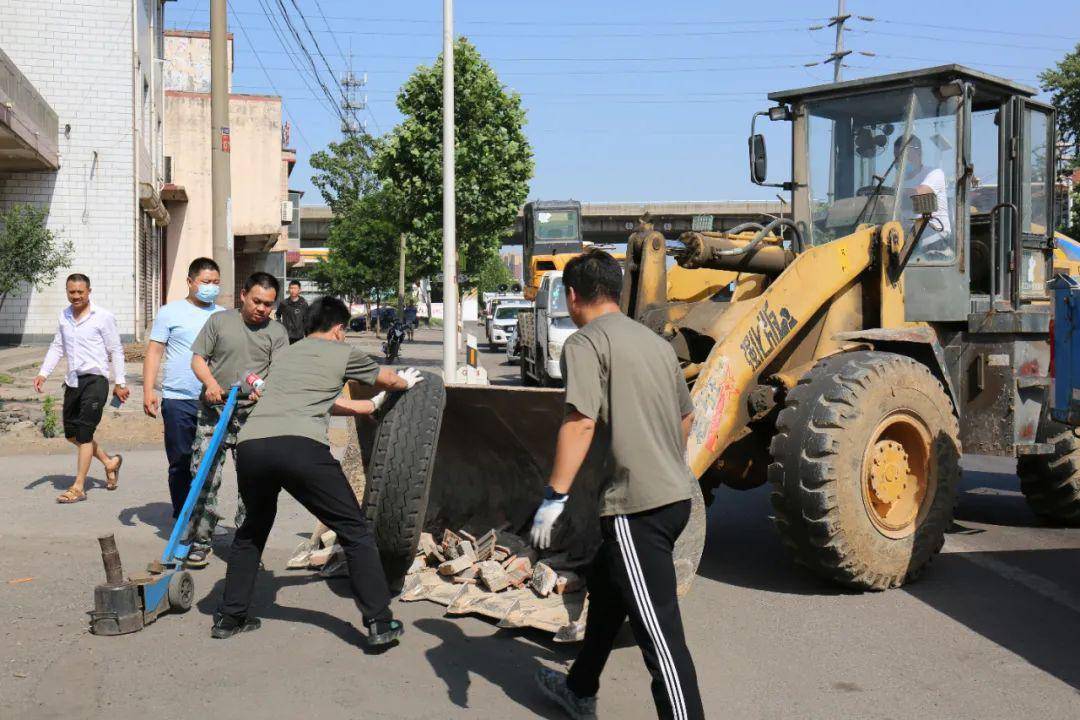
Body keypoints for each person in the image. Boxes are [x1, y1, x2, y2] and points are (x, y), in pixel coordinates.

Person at [531, 250, 705, 720]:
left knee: (661, 638)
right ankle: (579, 688)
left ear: (571, 295)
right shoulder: (655, 344)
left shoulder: (585, 344)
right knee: (609, 593)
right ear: (614, 290)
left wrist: (554, 497)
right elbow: (687, 417)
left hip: (636, 510)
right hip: (675, 497)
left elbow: (580, 422)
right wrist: (664, 460)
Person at [212, 296, 423, 646]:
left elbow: (317, 401)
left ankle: (229, 617)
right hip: (301, 448)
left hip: (252, 447)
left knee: (252, 529)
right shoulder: (342, 352)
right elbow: (386, 377)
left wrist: (367, 406)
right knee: (354, 530)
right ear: (339, 329)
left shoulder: (285, 356)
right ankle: (380, 622)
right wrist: (405, 382)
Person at [183, 272, 289, 567]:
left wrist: (265, 395)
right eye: (257, 301)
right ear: (243, 295)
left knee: (253, 484)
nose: (261, 309)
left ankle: (247, 545)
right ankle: (201, 540)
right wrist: (210, 384)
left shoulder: (277, 332)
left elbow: (278, 374)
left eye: (268, 304)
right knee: (203, 477)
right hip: (214, 411)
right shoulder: (219, 322)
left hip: (253, 417)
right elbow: (198, 359)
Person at [34, 273, 128, 503]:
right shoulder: (64, 316)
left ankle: (78, 487)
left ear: (89, 292)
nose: (75, 296)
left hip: (96, 381)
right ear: (67, 292)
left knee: (85, 433)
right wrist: (43, 373)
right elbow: (58, 346)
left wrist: (120, 382)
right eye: (71, 292)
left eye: (80, 292)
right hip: (73, 381)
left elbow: (116, 349)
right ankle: (109, 462)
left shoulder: (103, 317)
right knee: (71, 434)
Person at [142, 258, 224, 518]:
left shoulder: (223, 316)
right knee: (180, 461)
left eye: (215, 283)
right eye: (206, 282)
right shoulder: (170, 312)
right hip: (178, 398)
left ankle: (203, 518)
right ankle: (183, 517)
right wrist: (148, 391)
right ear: (190, 282)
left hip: (213, 400)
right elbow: (154, 353)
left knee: (209, 464)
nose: (211, 287)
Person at [894, 134, 953, 259]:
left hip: (935, 241)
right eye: (897, 157)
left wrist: (890, 194)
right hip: (910, 241)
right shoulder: (899, 183)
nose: (900, 161)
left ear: (918, 154)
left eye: (904, 156)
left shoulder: (934, 174)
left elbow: (919, 194)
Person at [275, 279, 309, 345]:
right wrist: (280, 325)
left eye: (295, 288)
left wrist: (307, 334)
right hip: (286, 335)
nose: (293, 290)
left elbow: (307, 320)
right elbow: (277, 314)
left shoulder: (304, 304)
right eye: (291, 288)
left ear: (299, 290)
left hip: (299, 336)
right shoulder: (284, 303)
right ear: (288, 289)